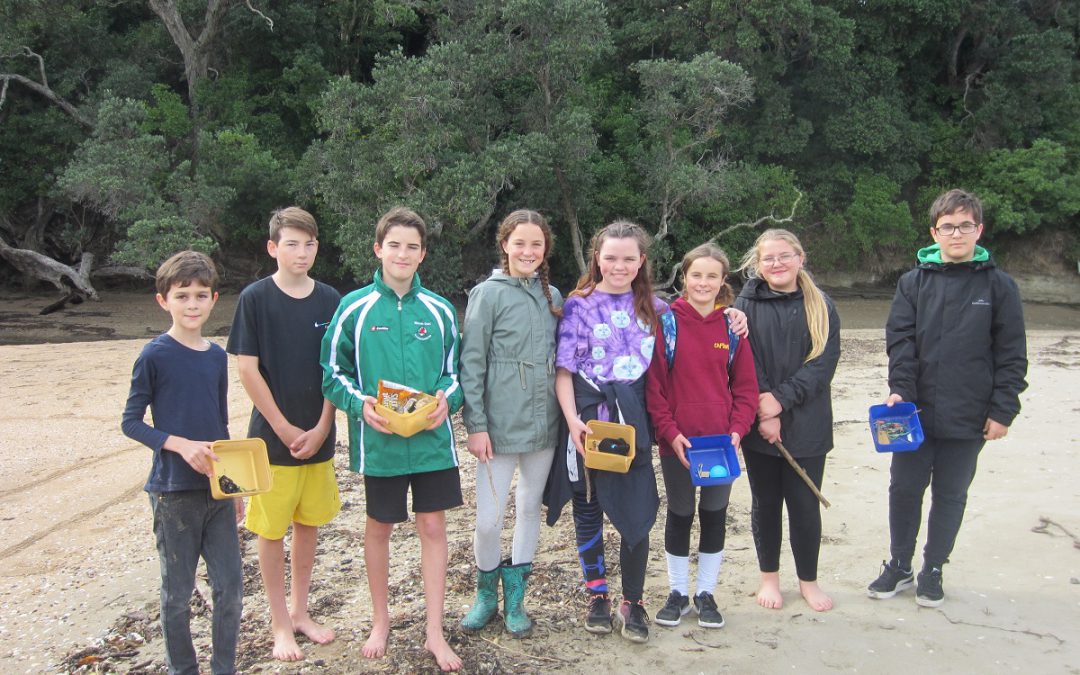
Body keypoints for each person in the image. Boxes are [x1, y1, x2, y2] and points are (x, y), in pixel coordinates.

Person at [867, 189, 1027, 608]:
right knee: (903, 489)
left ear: (979, 230)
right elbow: (900, 342)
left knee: (951, 495)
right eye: (948, 226)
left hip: (970, 415)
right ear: (934, 232)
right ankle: (899, 564)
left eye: (965, 225)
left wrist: (1003, 410)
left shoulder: (999, 286)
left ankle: (933, 568)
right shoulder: (912, 283)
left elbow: (1012, 355)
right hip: (913, 412)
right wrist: (899, 390)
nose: (956, 233)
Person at [320, 207, 464, 672]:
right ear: (379, 249)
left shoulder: (440, 309)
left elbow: (455, 373)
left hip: (431, 442)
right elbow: (331, 372)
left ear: (423, 254)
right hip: (378, 442)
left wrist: (447, 399)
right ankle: (380, 620)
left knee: (434, 528)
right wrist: (360, 404)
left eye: (413, 247)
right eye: (394, 245)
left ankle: (434, 631)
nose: (403, 254)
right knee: (379, 527)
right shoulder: (354, 307)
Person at [226, 207, 341, 661]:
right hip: (272, 439)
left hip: (320, 435)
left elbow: (338, 368)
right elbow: (247, 367)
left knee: (309, 523)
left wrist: (323, 426)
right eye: (291, 243)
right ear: (273, 248)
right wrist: (283, 425)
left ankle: (300, 612)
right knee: (270, 531)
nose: (301, 252)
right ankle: (279, 624)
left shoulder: (331, 298)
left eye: (309, 243)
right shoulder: (254, 299)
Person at [121, 250, 243, 675]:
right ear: (163, 300)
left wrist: (235, 485)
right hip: (172, 493)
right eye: (182, 295)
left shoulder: (216, 356)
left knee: (230, 589)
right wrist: (178, 444)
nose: (192, 304)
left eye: (201, 295)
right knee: (176, 594)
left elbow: (221, 422)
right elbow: (131, 423)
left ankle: (223, 667)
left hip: (217, 492)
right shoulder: (154, 355)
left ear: (214, 300)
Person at [459, 210, 563, 637]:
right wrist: (476, 424)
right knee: (488, 518)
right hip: (497, 429)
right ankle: (486, 594)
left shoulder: (553, 295)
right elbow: (472, 361)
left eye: (536, 244)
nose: (527, 251)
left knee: (528, 508)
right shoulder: (487, 293)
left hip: (545, 426)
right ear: (505, 244)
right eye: (519, 243)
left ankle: (516, 598)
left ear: (545, 249)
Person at [645, 243, 758, 630]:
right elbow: (655, 389)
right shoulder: (668, 323)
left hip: (720, 446)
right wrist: (670, 434)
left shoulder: (733, 326)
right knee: (679, 514)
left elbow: (746, 389)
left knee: (714, 516)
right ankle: (677, 592)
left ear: (723, 281)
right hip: (679, 444)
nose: (703, 283)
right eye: (697, 275)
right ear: (685, 278)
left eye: (712, 276)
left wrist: (737, 431)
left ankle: (705, 593)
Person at [734, 228, 840, 613]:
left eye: (784, 256)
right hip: (757, 423)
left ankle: (808, 581)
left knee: (804, 505)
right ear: (758, 265)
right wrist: (764, 409)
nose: (777, 264)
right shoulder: (743, 306)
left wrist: (779, 402)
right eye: (768, 258)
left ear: (800, 257)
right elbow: (743, 360)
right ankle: (769, 578)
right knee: (765, 504)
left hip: (808, 421)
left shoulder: (822, 305)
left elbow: (822, 365)